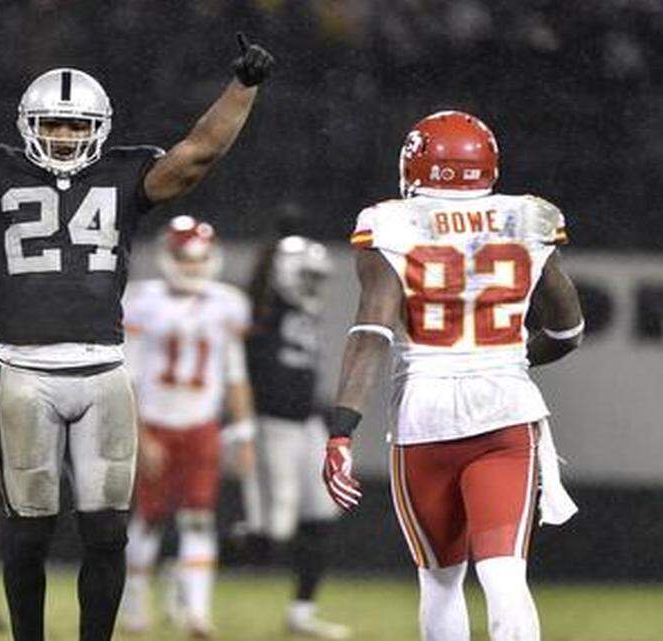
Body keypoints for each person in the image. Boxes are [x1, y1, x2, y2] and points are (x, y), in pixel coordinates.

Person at [0, 19, 275, 641]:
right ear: (28, 125)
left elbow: (196, 156)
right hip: (24, 369)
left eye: (77, 125)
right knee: (29, 529)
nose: (65, 135)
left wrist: (242, 88)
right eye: (54, 123)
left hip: (103, 368)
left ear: (98, 130)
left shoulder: (127, 175)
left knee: (108, 531)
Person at [321, 111, 584, 641]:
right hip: (506, 409)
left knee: (440, 581)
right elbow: (567, 330)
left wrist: (341, 429)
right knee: (505, 573)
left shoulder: (391, 221)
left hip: (425, 413)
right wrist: (510, 361)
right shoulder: (528, 216)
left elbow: (372, 330)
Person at [117, 215, 255, 637]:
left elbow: (234, 374)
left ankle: (195, 610)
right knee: (148, 519)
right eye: (185, 259)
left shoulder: (227, 303)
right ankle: (134, 602)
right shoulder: (143, 300)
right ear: (168, 258)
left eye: (199, 259)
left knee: (198, 518)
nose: (193, 267)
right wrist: (139, 432)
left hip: (200, 425)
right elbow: (128, 373)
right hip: (156, 422)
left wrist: (244, 433)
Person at [243, 234, 350, 639]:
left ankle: (302, 612)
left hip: (306, 423)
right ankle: (187, 568)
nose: (312, 283)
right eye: (305, 274)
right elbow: (258, 288)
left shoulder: (306, 314)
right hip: (272, 424)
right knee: (276, 531)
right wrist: (274, 248)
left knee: (322, 516)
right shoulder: (262, 310)